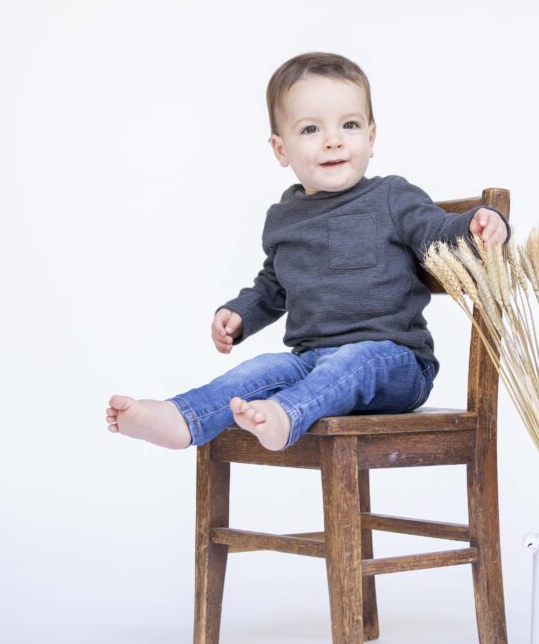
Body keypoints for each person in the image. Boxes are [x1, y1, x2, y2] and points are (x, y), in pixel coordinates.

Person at [105, 52, 509, 452]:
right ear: (280, 150)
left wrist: (478, 224)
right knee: (260, 370)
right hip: (311, 360)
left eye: (349, 125)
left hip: (395, 362)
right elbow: (272, 287)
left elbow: (436, 232)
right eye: (311, 129)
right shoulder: (285, 217)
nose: (334, 139)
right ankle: (183, 418)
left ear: (371, 136)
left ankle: (287, 414)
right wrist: (240, 314)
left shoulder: (391, 196)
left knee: (354, 360)